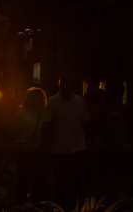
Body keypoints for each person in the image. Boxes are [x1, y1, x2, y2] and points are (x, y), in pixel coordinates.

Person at [43, 76, 90, 210]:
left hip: (76, 147)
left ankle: (74, 205)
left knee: (77, 180)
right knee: (61, 181)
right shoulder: (53, 102)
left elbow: (85, 123)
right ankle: (62, 205)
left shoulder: (79, 101)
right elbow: (47, 125)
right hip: (59, 148)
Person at [12, 87, 50, 204]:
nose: (37, 101)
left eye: (39, 98)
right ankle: (22, 203)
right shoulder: (22, 112)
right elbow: (15, 131)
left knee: (38, 181)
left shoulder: (45, 113)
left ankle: (37, 204)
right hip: (25, 150)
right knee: (23, 179)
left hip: (39, 151)